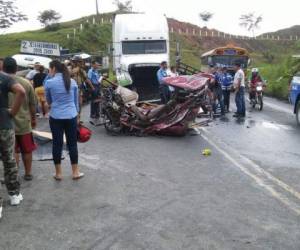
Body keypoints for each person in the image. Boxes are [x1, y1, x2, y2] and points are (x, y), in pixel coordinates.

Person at [44, 60, 83, 181]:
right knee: (72, 144)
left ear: (54, 69)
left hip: (56, 117)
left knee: (57, 144)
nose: (49, 71)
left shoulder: (49, 83)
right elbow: (76, 102)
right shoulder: (72, 82)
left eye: (49, 69)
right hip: (71, 116)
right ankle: (75, 172)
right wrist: (77, 116)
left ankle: (58, 173)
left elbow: (49, 102)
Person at [4, 57, 37, 181]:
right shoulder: (26, 83)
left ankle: (14, 175)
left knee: (13, 150)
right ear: (16, 68)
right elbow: (32, 105)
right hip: (24, 122)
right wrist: (33, 118)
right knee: (26, 149)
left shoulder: (2, 82)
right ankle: (28, 173)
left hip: (6, 123)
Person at [0, 68, 26, 218]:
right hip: (4, 125)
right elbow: (21, 92)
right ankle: (14, 195)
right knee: (9, 159)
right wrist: (12, 112)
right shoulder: (4, 77)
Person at [88, 61, 102, 126]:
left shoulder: (96, 71)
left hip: (98, 86)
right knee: (93, 101)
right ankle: (92, 114)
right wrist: (92, 87)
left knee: (98, 100)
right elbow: (89, 80)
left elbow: (98, 78)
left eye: (97, 65)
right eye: (96, 65)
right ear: (93, 64)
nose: (97, 66)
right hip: (93, 86)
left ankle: (97, 113)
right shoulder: (90, 71)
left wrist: (101, 78)